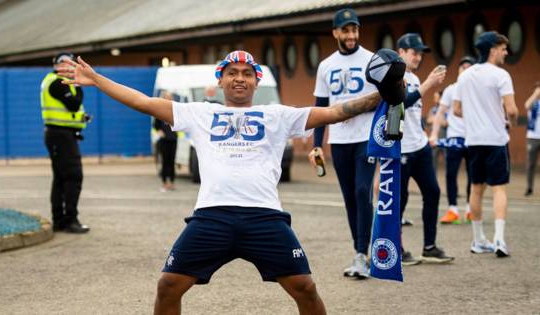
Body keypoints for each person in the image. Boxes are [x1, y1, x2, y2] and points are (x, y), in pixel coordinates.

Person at [57, 49, 405, 314]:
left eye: (247, 74)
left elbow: (335, 112)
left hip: (264, 217)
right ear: (221, 80)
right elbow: (144, 102)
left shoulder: (278, 115)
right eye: (232, 73)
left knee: (305, 288)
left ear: (256, 81)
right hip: (212, 216)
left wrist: (384, 94)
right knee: (168, 286)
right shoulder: (200, 112)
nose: (240, 78)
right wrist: (97, 80)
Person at [308, 8, 377, 279]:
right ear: (335, 32)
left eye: (355, 29)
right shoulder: (326, 65)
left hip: (366, 137)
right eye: (346, 30)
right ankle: (359, 251)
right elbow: (320, 107)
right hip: (339, 140)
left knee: (363, 191)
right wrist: (317, 144)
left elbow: (386, 96)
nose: (351, 35)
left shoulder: (372, 60)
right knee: (350, 197)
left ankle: (363, 254)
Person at [453, 31, 518, 257]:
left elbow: (456, 110)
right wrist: (511, 120)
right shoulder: (501, 75)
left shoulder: (465, 76)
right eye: (502, 48)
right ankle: (499, 239)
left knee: (476, 189)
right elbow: (511, 109)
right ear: (492, 50)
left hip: (474, 141)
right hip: (496, 139)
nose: (506, 52)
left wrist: (475, 118)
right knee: (499, 187)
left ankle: (478, 239)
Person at [396, 33, 453, 265]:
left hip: (419, 146)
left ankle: (429, 247)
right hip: (400, 149)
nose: (418, 57)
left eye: (421, 53)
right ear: (401, 52)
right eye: (414, 52)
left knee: (433, 191)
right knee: (400, 199)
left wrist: (425, 134)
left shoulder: (416, 78)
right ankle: (395, 249)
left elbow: (414, 111)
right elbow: (400, 103)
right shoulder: (393, 75)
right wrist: (429, 84)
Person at [41, 52, 90, 234]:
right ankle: (70, 220)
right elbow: (74, 104)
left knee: (61, 179)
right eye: (62, 63)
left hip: (61, 135)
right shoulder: (58, 82)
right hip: (60, 136)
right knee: (73, 177)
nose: (67, 66)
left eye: (70, 63)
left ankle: (59, 220)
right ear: (55, 65)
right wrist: (79, 83)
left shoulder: (54, 80)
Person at [430, 56, 476, 224]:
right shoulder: (451, 89)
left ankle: (471, 209)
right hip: (454, 137)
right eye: (461, 67)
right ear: (458, 71)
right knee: (451, 174)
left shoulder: (477, 90)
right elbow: (440, 113)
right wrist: (434, 134)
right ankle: (453, 210)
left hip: (473, 138)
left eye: (468, 67)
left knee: (474, 175)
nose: (464, 69)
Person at [154, 91, 178, 192]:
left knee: (172, 162)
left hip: (173, 139)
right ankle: (164, 183)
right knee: (165, 162)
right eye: (166, 97)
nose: (168, 99)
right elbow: (155, 125)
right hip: (164, 140)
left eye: (170, 97)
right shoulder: (159, 110)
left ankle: (171, 183)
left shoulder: (176, 110)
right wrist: (159, 131)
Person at [524, 81, 540, 197]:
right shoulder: (533, 102)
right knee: (531, 164)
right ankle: (529, 187)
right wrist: (535, 94)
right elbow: (526, 105)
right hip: (533, 137)